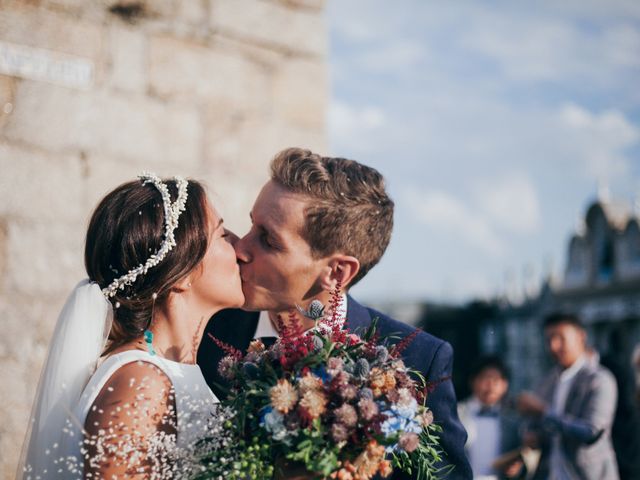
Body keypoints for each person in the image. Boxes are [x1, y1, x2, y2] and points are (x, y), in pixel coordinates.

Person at [198, 148, 472, 479]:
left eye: (268, 240)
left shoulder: (420, 361)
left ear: (337, 273)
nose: (240, 248)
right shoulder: (205, 332)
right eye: (252, 225)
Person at [18, 173, 244, 478]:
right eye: (222, 235)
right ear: (181, 276)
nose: (240, 245)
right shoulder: (141, 384)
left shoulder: (168, 369)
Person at [517, 312, 619, 480]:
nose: (553, 346)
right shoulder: (547, 381)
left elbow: (592, 432)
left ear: (581, 337)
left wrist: (543, 412)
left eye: (560, 338)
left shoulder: (600, 379)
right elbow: (537, 428)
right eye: (549, 340)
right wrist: (531, 434)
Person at [458, 356, 524, 479]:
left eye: (496, 380)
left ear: (505, 385)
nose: (490, 385)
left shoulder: (514, 420)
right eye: (484, 378)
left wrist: (517, 469)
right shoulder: (457, 413)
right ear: (472, 381)